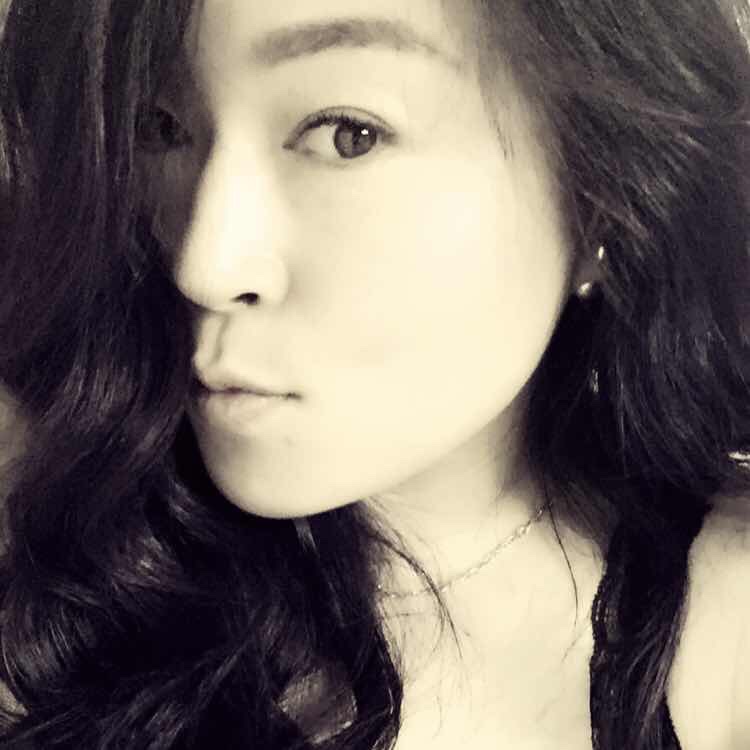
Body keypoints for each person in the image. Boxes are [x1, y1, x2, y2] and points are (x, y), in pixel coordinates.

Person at [0, 0, 749, 747]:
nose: (206, 265)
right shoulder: (53, 588)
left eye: (346, 134)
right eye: (158, 128)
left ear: (603, 204)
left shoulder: (725, 629)